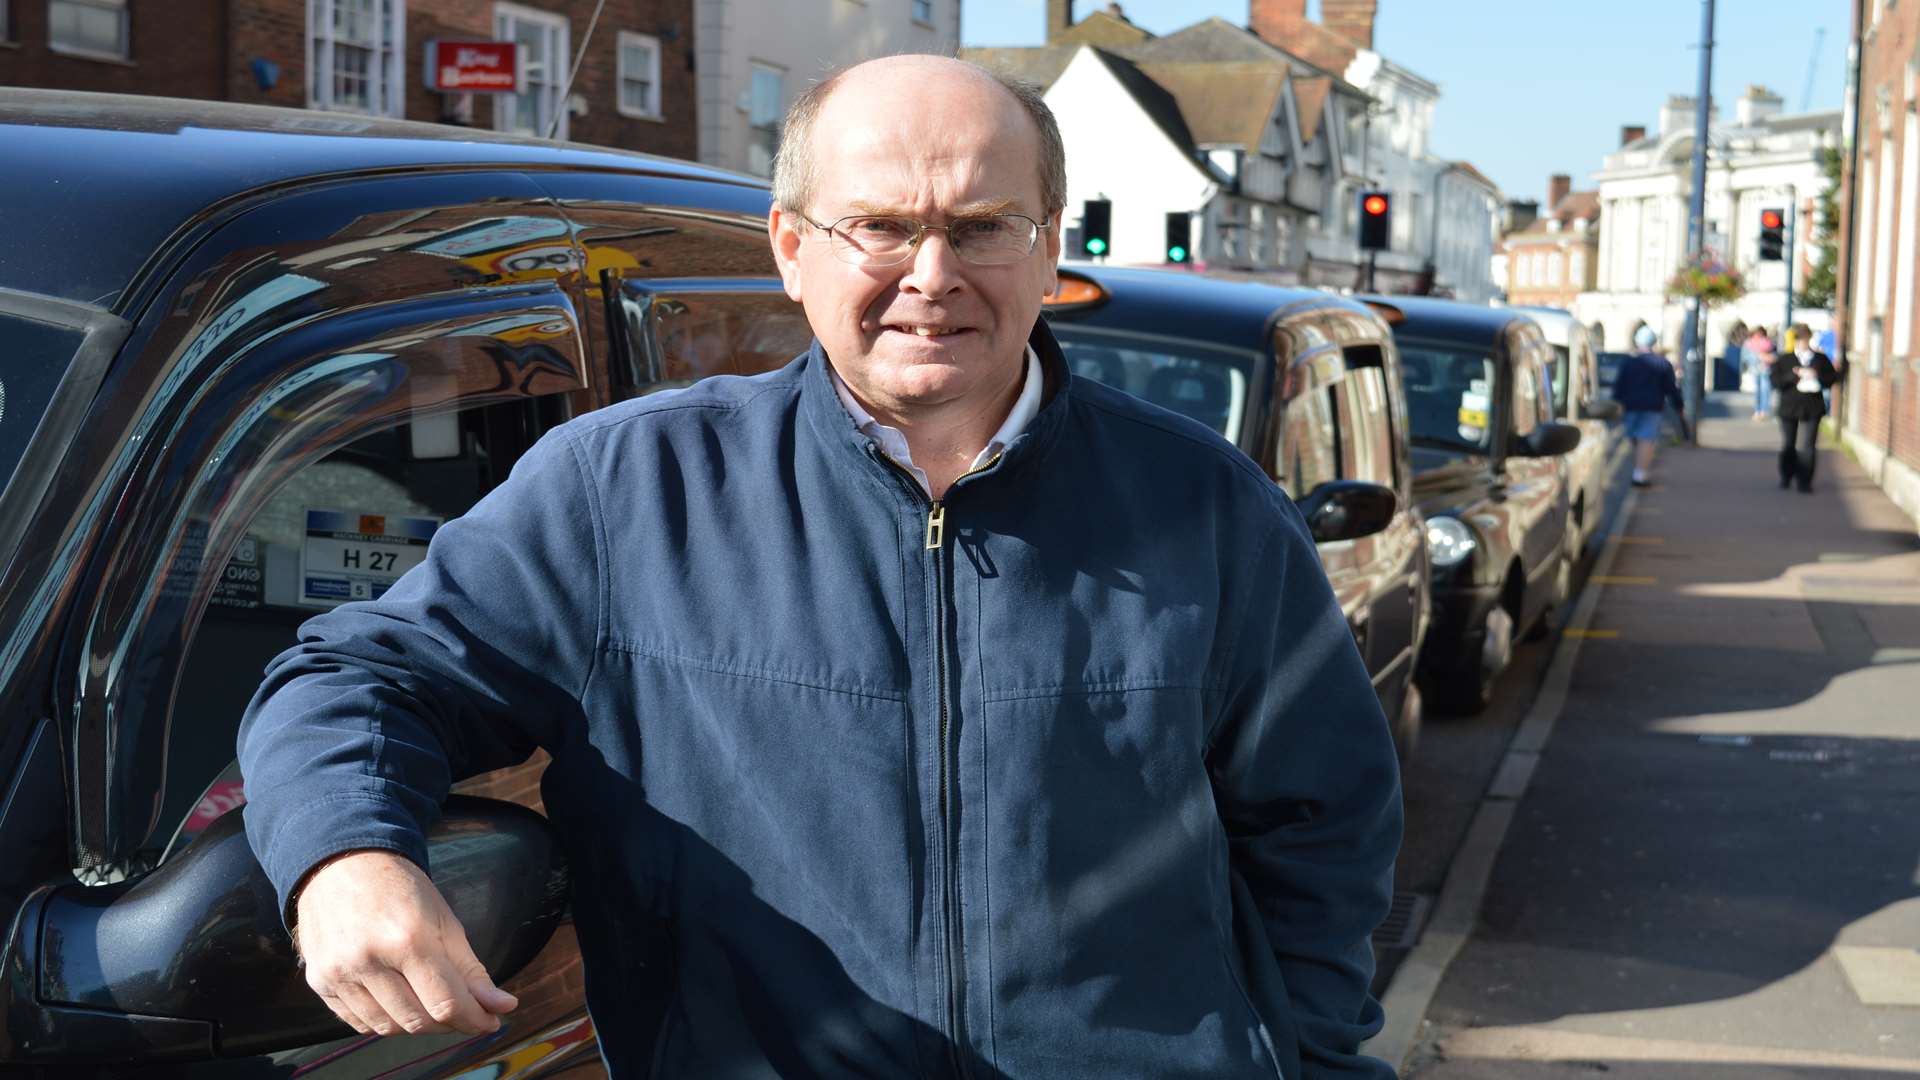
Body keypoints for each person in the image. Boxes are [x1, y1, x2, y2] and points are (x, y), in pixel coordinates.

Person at [236, 55, 1403, 1078]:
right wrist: (345, 854)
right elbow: (356, 677)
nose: (933, 272)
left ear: (1050, 249)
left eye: (984, 225)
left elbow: (1324, 835)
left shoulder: (1206, 505)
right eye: (881, 226)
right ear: (793, 249)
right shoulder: (630, 491)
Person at [1612, 325, 1687, 487]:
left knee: (1636, 438)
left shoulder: (1628, 363)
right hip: (1653, 407)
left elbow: (1618, 387)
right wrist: (1679, 405)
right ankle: (1640, 473)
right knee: (1646, 438)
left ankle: (1639, 471)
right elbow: (1671, 388)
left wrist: (1616, 404)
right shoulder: (1663, 364)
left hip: (1631, 406)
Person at [1771, 321, 1839, 492]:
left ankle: (1805, 481)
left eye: (1804, 338)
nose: (1801, 342)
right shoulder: (1785, 359)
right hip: (1789, 406)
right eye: (1798, 339)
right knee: (1788, 443)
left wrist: (1817, 375)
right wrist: (1794, 376)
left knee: (1808, 446)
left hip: (1812, 406)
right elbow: (1776, 381)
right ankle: (1786, 476)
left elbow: (1831, 379)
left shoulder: (1820, 359)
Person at [1744, 325, 1776, 421]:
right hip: (1755, 369)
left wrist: (1767, 357)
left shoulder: (1769, 343)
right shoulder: (1749, 343)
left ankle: (1764, 411)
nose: (1759, 335)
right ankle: (1757, 410)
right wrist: (1759, 356)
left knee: (1765, 389)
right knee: (1758, 390)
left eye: (1761, 333)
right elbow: (1745, 357)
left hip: (1765, 369)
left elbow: (1774, 356)